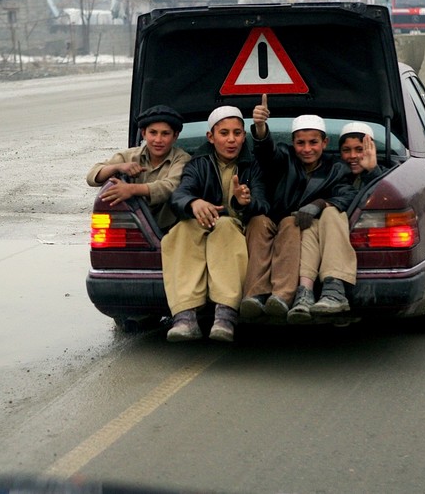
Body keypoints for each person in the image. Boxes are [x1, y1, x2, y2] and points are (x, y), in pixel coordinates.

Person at [240, 94, 352, 323]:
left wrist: (318, 205)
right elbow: (266, 151)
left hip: (296, 224)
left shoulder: (336, 169)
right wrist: (260, 128)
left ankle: (282, 295)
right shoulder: (284, 157)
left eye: (313, 143)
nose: (307, 149)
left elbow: (347, 194)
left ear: (325, 143)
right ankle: (256, 294)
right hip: (271, 217)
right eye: (300, 143)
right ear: (293, 144)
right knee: (257, 222)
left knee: (290, 224)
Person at [162, 106, 267, 342]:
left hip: (236, 229)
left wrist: (242, 203)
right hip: (202, 226)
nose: (231, 140)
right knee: (181, 229)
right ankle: (184, 316)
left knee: (225, 226)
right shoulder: (197, 164)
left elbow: (264, 206)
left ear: (244, 136)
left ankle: (225, 315)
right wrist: (193, 202)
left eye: (237, 133)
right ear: (211, 137)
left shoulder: (253, 166)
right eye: (224, 133)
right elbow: (179, 196)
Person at [287, 121, 385, 324]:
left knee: (331, 213)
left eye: (360, 149)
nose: (353, 156)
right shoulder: (334, 174)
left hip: (356, 239)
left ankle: (334, 290)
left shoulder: (382, 172)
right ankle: (305, 291)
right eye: (346, 150)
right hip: (322, 238)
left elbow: (377, 199)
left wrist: (372, 170)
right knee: (312, 224)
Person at [85, 105, 191, 231]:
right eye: (153, 133)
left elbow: (170, 187)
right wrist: (118, 167)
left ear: (175, 136)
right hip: (132, 229)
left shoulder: (182, 159)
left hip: (170, 230)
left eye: (165, 134)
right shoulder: (130, 156)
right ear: (144, 134)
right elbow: (92, 176)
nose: (158, 140)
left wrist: (131, 189)